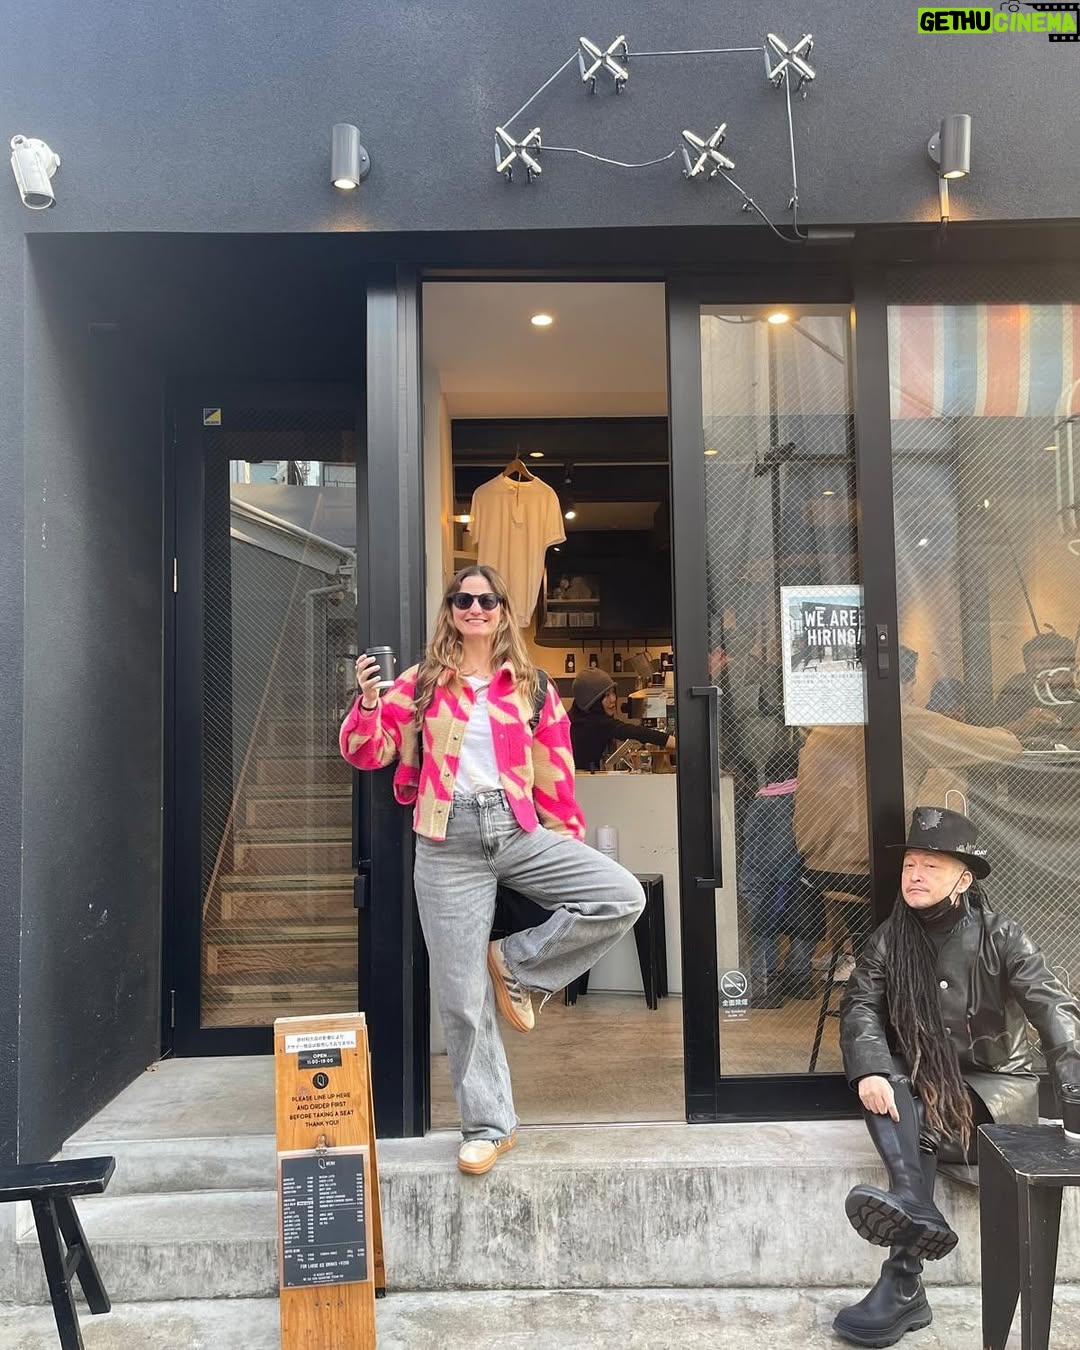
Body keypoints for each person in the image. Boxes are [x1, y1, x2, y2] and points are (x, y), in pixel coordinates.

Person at [340, 565, 645, 1177]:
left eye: (486, 600)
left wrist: (565, 840)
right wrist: (368, 703)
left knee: (620, 894)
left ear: (504, 609)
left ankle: (515, 965)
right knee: (460, 996)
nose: (474, 608)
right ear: (450, 611)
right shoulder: (421, 683)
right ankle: (488, 1126)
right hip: (446, 839)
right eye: (463, 599)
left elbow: (555, 772)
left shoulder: (531, 686)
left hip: (516, 828)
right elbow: (366, 752)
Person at [833, 806, 1080, 1348]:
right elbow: (860, 1008)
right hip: (925, 1087)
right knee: (892, 1088)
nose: (915, 875)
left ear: (963, 880)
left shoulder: (1002, 936)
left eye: (932, 866)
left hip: (995, 1093)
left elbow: (1054, 1009)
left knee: (917, 1113)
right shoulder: (888, 940)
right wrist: (871, 1068)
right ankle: (913, 1209)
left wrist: (1075, 1092)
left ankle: (903, 1276)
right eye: (910, 865)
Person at [738, 746, 803, 1007]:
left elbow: (749, 836)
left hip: (756, 875)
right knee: (791, 925)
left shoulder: (761, 799)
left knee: (761, 931)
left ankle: (766, 988)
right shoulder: (801, 798)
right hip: (789, 874)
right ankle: (796, 979)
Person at [568, 668, 674, 771]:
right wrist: (674, 741)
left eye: (613, 692)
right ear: (592, 702)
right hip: (579, 780)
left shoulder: (574, 717)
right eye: (606, 695)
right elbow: (635, 732)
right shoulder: (594, 722)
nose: (613, 699)